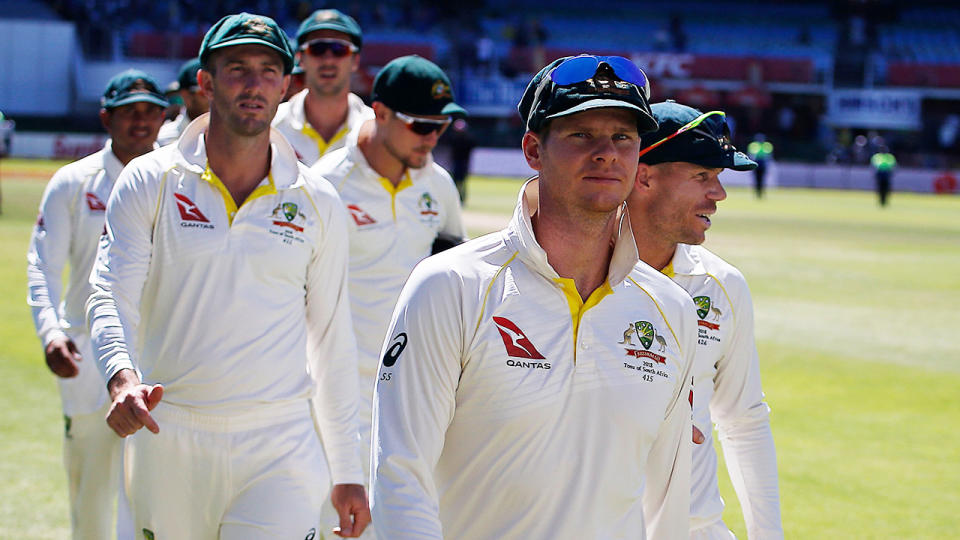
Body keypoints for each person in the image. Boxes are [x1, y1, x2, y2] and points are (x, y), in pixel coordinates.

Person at [370, 54, 698, 539]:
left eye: (622, 137)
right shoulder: (451, 286)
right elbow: (399, 475)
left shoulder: (671, 310)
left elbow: (668, 501)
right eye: (581, 135)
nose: (606, 152)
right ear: (533, 150)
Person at [85, 13, 369, 539]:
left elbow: (331, 340)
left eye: (268, 70)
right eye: (237, 68)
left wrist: (347, 470)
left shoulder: (316, 200)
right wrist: (121, 376)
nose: (254, 83)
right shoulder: (151, 179)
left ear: (286, 86)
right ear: (206, 82)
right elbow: (110, 292)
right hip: (168, 434)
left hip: (279, 441)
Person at [312, 54, 466, 537]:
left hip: (415, 394)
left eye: (441, 125)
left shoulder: (438, 186)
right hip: (337, 397)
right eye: (421, 125)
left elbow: (454, 281)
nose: (432, 138)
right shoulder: (325, 186)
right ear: (378, 113)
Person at [627, 101, 783, 539]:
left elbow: (743, 420)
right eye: (702, 177)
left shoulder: (722, 284)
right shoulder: (576, 276)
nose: (719, 194)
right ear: (644, 175)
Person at [27, 68, 168, 540]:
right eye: (130, 111)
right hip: (89, 355)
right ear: (107, 118)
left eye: (151, 111)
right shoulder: (74, 181)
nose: (141, 121)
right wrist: (51, 332)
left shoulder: (179, 181)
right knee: (90, 492)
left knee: (152, 497)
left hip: (158, 354)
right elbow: (42, 264)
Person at [273, 9, 373, 165]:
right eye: (317, 48)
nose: (328, 59)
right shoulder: (270, 125)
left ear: (356, 60)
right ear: (300, 58)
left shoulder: (375, 130)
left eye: (339, 49)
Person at [157, 58, 210, 145]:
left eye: (215, 90)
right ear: (184, 94)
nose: (210, 96)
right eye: (202, 92)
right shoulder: (164, 139)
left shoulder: (233, 135)